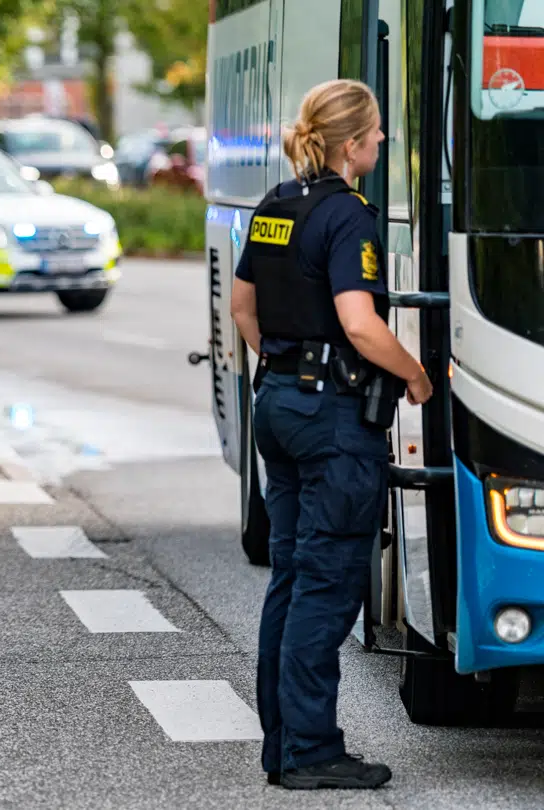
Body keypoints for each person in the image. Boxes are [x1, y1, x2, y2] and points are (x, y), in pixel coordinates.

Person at [231, 79, 432, 791]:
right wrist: (415, 376)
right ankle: (311, 752)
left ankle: (283, 745)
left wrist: (288, 370)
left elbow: (243, 307)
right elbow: (359, 324)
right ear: (351, 144)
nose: (382, 140)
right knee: (326, 585)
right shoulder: (348, 215)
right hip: (331, 423)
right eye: (375, 132)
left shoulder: (276, 205)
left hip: (279, 406)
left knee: (291, 576)